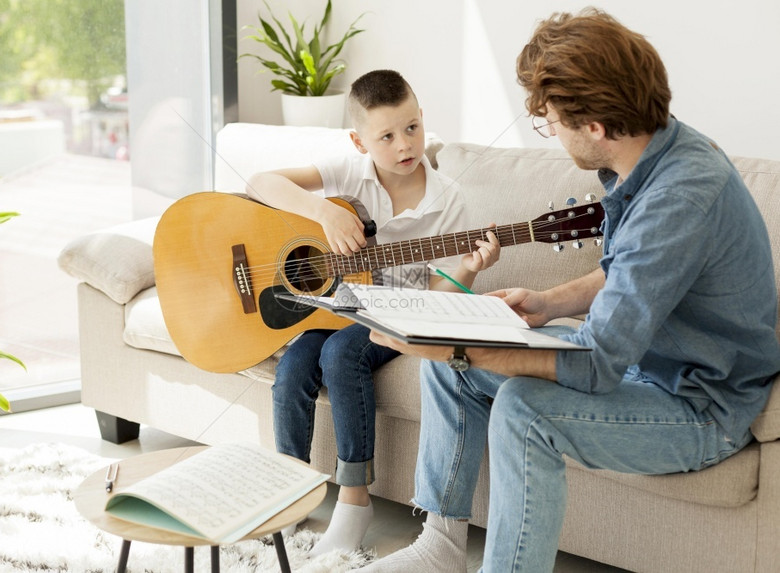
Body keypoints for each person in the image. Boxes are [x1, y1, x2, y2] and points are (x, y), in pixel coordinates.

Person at [354, 9, 780, 573]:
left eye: (551, 119)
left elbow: (598, 364)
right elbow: (636, 272)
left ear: (596, 126)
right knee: (448, 368)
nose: (551, 131)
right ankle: (440, 548)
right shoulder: (655, 159)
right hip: (646, 367)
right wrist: (549, 302)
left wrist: (458, 345)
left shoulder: (680, 195)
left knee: (523, 409)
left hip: (701, 405)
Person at [245, 69, 500, 556]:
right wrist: (323, 212)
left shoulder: (449, 200)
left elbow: (438, 294)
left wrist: (467, 270)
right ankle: (287, 493)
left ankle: (355, 501)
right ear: (359, 141)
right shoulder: (346, 172)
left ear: (423, 118)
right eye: (386, 136)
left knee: (342, 354)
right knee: (295, 366)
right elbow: (260, 182)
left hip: (401, 310)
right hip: (335, 304)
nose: (405, 145)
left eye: (411, 128)